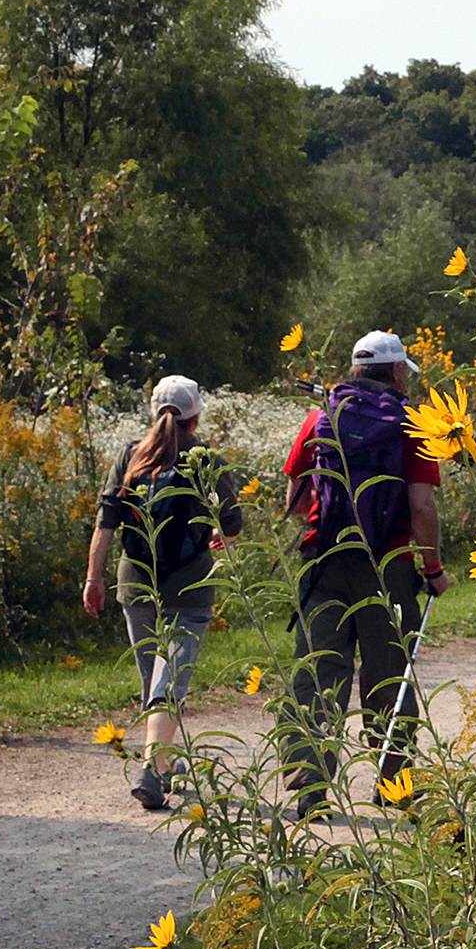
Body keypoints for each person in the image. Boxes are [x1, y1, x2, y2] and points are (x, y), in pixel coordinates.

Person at [282, 330, 453, 821]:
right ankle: (393, 784)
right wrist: (434, 569)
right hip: (390, 566)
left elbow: (294, 495)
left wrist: (327, 524)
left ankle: (310, 789)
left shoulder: (320, 417)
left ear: (355, 371)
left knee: (319, 672)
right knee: (387, 675)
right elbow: (421, 506)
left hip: (323, 561)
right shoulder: (411, 424)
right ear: (397, 372)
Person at [84, 375, 243, 811]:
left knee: (153, 681)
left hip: (134, 583)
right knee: (168, 685)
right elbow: (232, 522)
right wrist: (215, 536)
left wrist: (93, 579)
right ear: (195, 415)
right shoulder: (206, 458)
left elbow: (106, 523)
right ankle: (153, 773)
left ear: (153, 411)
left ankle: (164, 765)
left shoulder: (130, 455)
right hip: (189, 588)